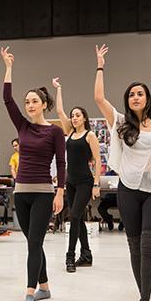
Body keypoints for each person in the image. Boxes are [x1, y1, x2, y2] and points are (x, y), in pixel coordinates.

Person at [94, 44, 151, 301]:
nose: (135, 97)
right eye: (131, 94)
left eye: (140, 93)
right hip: (128, 190)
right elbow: (98, 98)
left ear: (147, 99)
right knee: (133, 245)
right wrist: (100, 65)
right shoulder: (120, 123)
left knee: (147, 245)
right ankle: (142, 294)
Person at [1, 47, 65, 301]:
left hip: (43, 193)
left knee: (34, 243)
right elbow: (7, 99)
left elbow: (61, 164)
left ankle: (29, 293)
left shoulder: (55, 131)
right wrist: (8, 67)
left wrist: (60, 192)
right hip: (21, 193)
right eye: (26, 102)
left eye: (33, 101)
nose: (28, 105)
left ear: (43, 104)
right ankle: (45, 286)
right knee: (33, 242)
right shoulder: (23, 127)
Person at [52, 77, 101, 273]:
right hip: (70, 181)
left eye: (78, 115)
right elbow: (59, 111)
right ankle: (87, 254)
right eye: (73, 115)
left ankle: (70, 256)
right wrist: (59, 89)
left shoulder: (90, 135)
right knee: (78, 217)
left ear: (84, 118)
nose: (74, 118)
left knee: (74, 216)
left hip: (85, 182)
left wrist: (96, 184)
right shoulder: (69, 133)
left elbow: (97, 161)